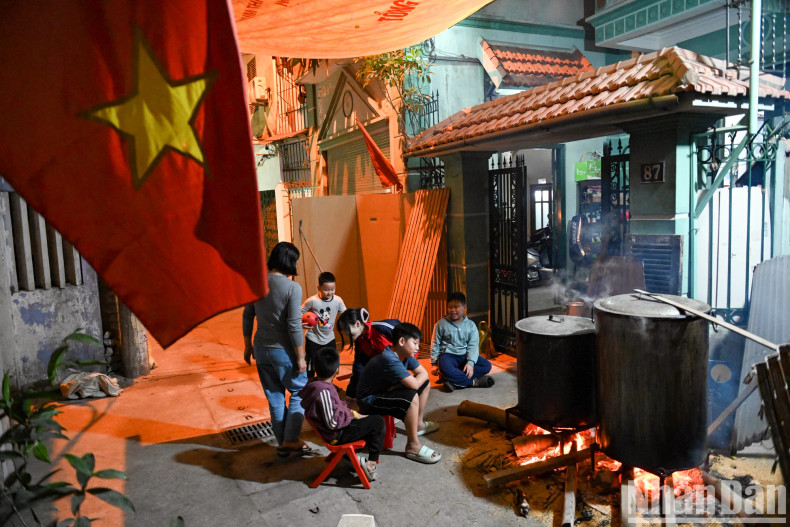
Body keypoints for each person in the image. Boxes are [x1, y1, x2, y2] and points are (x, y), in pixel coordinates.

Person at [242, 241, 311, 457]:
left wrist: (247, 346)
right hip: (283, 351)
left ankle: (283, 446)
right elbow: (292, 324)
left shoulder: (257, 282)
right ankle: (290, 441)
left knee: (275, 398)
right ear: (289, 261)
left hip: (261, 348)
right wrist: (301, 356)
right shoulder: (292, 288)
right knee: (300, 391)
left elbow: (247, 314)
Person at [356, 323, 442, 464]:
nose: (418, 347)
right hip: (370, 399)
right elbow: (414, 384)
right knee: (412, 395)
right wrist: (407, 386)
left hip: (386, 390)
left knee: (425, 384)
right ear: (402, 341)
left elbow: (424, 374)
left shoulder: (405, 354)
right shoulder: (389, 358)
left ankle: (418, 425)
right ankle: (413, 446)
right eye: (415, 343)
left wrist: (402, 385)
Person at [300, 346, 385, 482]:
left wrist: (353, 415)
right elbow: (333, 423)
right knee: (378, 422)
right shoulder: (324, 392)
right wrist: (352, 416)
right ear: (337, 370)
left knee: (368, 418)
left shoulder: (315, 384)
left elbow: (336, 411)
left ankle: (349, 456)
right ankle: (371, 463)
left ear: (315, 368)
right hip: (337, 435)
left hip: (338, 428)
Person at [430, 292, 494, 392]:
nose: (453, 310)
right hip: (448, 356)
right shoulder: (441, 324)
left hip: (464, 356)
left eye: (456, 307)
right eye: (450, 307)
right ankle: (473, 382)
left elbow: (473, 346)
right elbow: (435, 343)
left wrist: (470, 363)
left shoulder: (471, 325)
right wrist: (434, 363)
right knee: (444, 366)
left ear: (464, 307)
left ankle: (453, 380)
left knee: (486, 366)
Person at [335, 308, 399, 402]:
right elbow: (359, 366)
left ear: (357, 324)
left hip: (401, 364)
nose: (345, 334)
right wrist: (351, 395)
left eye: (345, 329)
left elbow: (409, 338)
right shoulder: (359, 339)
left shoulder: (382, 328)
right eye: (342, 331)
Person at [301, 271, 346, 378]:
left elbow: (345, 314)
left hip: (329, 338)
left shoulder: (338, 300)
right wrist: (302, 324)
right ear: (319, 287)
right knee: (311, 363)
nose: (330, 293)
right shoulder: (312, 301)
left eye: (332, 290)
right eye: (326, 290)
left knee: (330, 362)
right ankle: (310, 384)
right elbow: (299, 313)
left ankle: (327, 384)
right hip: (313, 337)